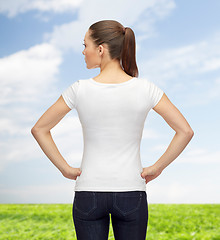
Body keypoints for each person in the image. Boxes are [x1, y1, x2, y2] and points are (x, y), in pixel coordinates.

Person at [31, 20, 194, 240]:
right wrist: (157, 167)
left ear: (100, 49)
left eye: (85, 44)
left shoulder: (79, 89)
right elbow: (185, 131)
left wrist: (65, 169)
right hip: (131, 192)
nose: (83, 51)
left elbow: (40, 128)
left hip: (89, 192)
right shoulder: (146, 89)